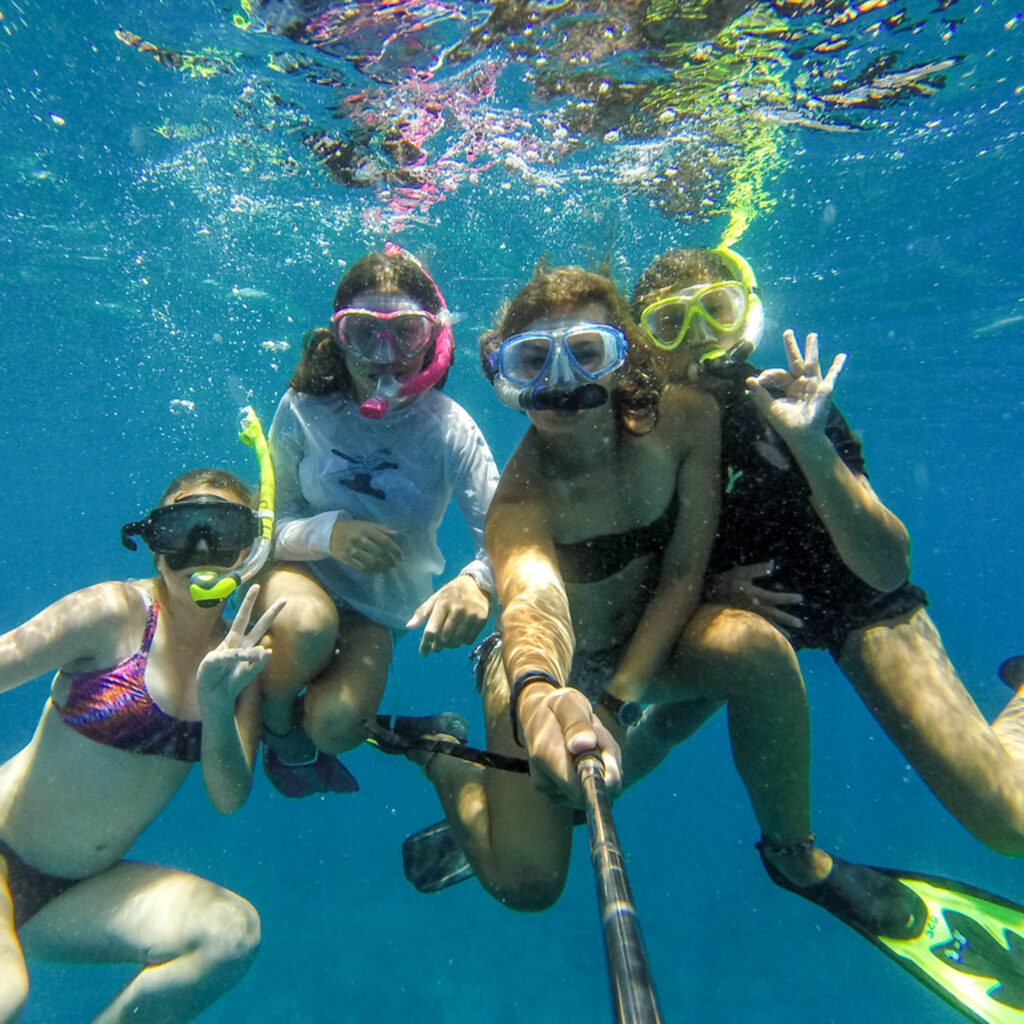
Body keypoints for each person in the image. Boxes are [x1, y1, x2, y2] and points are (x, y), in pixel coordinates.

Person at [399, 263, 1024, 1020]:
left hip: (755, 621)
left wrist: (619, 706)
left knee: (1001, 817)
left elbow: (720, 573)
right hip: (628, 642)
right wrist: (543, 695)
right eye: (535, 360)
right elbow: (536, 600)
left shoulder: (723, 413)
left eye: (588, 353)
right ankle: (469, 770)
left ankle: (795, 853)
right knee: (540, 869)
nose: (563, 382)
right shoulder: (565, 475)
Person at [626, 244, 1024, 855]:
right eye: (671, 324)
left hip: (853, 596)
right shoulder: (636, 432)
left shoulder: (789, 400)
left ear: (747, 318)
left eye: (716, 311)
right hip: (740, 613)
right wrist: (705, 593)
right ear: (642, 341)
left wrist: (811, 442)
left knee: (1009, 822)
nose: (698, 339)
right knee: (649, 737)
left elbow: (889, 568)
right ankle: (554, 805)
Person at [0, 467, 284, 1022]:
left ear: (248, 551)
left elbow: (228, 796)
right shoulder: (113, 614)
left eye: (221, 531)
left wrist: (219, 703)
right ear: (155, 547)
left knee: (230, 934)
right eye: (180, 530)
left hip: (78, 893)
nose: (200, 549)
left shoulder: (246, 653)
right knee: (6, 995)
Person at [255, 244, 500, 798]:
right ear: (337, 337)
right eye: (363, 331)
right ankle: (274, 725)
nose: (384, 353)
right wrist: (329, 534)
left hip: (377, 608)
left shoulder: (449, 429)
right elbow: (269, 523)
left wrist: (475, 583)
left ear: (434, 340)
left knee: (336, 726)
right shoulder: (301, 406)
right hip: (301, 583)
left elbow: (504, 537)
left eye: (406, 333)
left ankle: (380, 732)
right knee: (309, 626)